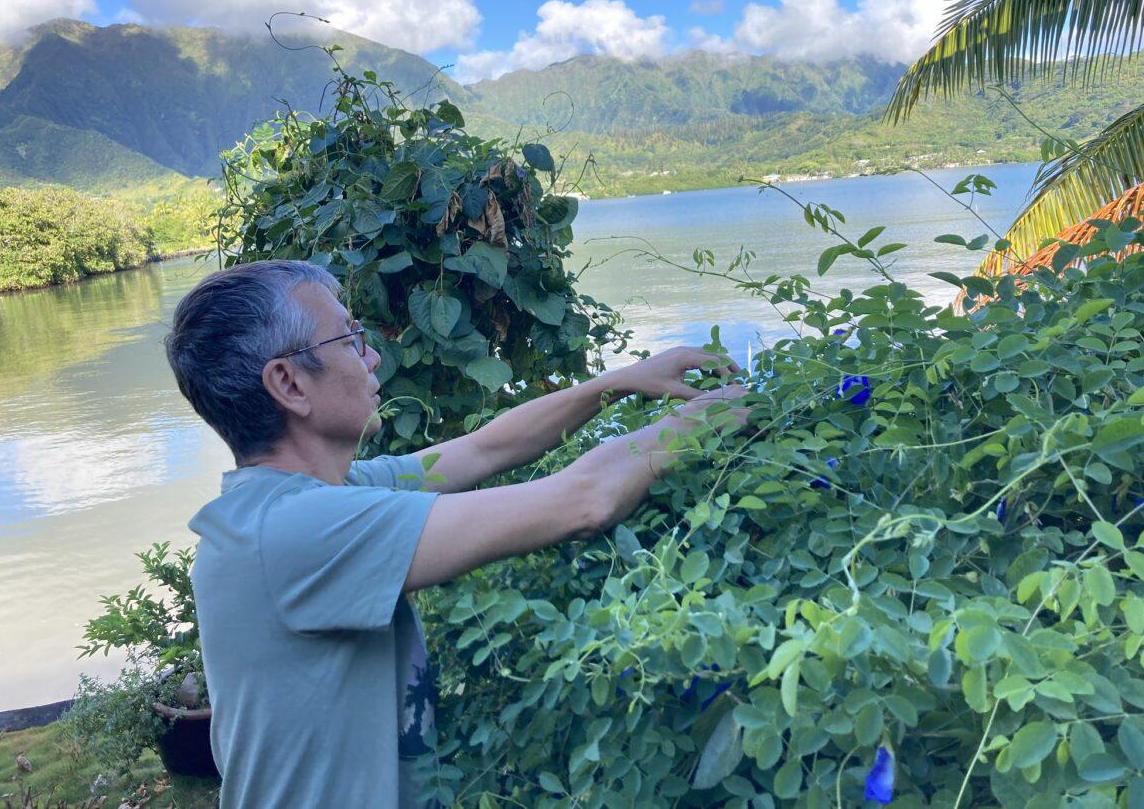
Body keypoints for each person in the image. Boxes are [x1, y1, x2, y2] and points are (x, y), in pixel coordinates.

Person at [165, 259, 748, 808]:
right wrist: (708, 419)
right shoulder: (297, 530)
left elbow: (482, 449)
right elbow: (584, 502)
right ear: (289, 384)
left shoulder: (323, 496)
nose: (372, 359)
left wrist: (621, 382)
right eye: (348, 340)